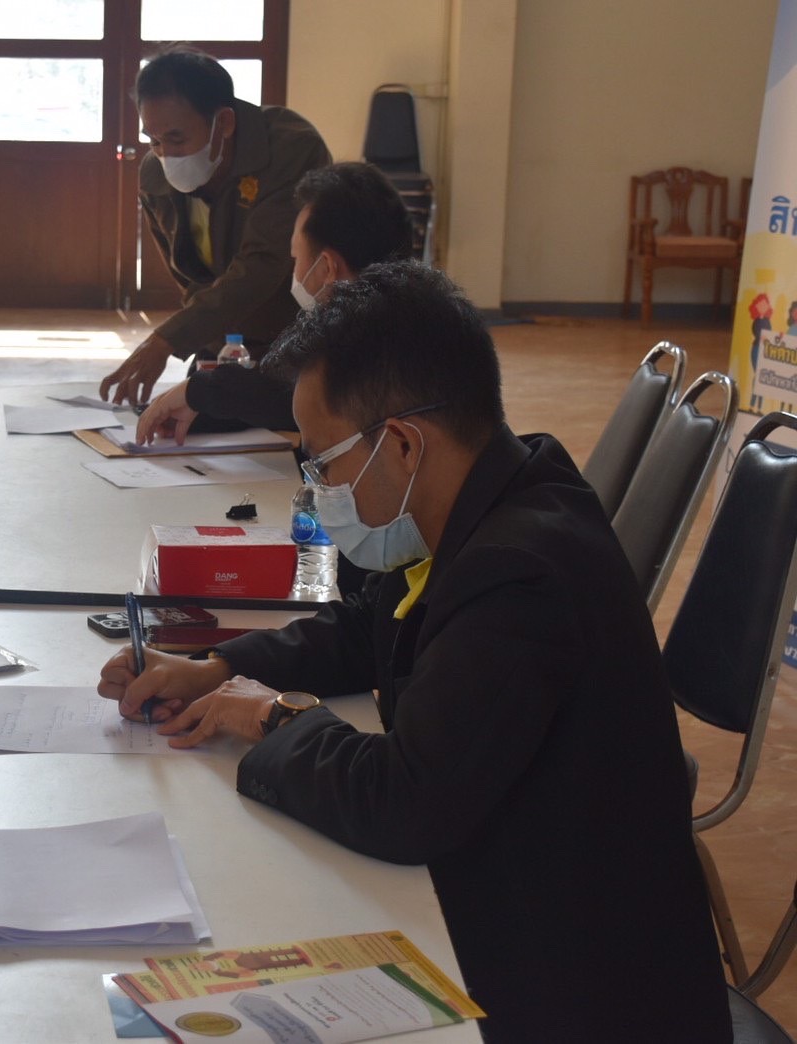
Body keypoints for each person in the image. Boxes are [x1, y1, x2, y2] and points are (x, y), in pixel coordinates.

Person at [97, 262, 732, 1042]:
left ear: (400, 444)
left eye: (321, 463)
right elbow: (368, 626)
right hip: (524, 903)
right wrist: (220, 668)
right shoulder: (495, 487)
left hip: (581, 990)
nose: (316, 487)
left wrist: (270, 718)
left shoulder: (520, 573)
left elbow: (403, 803)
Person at [99, 46, 330, 406]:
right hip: (224, 339)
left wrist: (167, 339)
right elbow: (189, 277)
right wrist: (212, 343)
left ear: (224, 123)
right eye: (154, 140)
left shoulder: (290, 150)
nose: (165, 154)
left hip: (297, 338)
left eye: (177, 138)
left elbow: (264, 263)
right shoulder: (155, 175)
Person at [135, 162, 414, 446]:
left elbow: (304, 397)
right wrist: (202, 408)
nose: (294, 272)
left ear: (327, 267)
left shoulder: (371, 353)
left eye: (295, 258)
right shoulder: (399, 317)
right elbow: (281, 399)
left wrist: (201, 392)